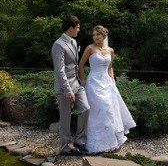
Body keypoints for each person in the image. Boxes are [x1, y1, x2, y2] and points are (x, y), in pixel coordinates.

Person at [78, 25, 136, 154]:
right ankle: (97, 143)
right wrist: (82, 82)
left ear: (104, 35)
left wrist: (113, 80)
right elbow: (80, 66)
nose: (95, 37)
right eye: (93, 35)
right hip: (93, 83)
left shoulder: (110, 50)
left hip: (107, 82)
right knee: (99, 110)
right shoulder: (90, 48)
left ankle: (111, 141)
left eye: (98, 34)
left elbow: (110, 67)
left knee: (110, 110)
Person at [52, 15, 90, 156]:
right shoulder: (58, 44)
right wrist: (67, 89)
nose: (79, 30)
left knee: (86, 108)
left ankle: (79, 141)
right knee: (65, 117)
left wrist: (82, 81)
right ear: (71, 28)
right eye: (78, 27)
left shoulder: (73, 42)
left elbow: (74, 65)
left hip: (77, 83)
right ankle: (64, 147)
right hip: (64, 87)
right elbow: (60, 69)